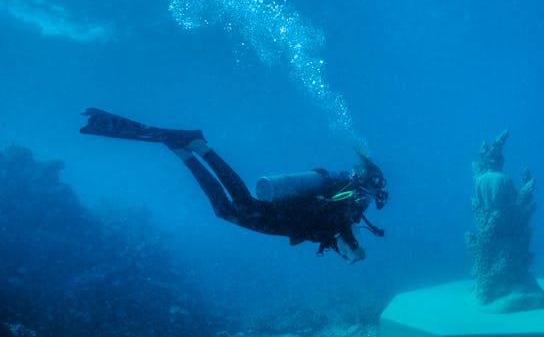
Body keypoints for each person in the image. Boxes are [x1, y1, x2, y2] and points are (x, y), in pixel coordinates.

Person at [79, 108, 386, 262]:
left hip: (288, 221)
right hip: (286, 217)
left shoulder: (349, 191)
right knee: (242, 203)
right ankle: (199, 147)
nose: (376, 199)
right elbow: (338, 219)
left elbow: (333, 223)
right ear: (371, 183)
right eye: (377, 191)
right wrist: (356, 247)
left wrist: (340, 244)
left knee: (224, 210)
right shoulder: (351, 193)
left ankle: (185, 152)